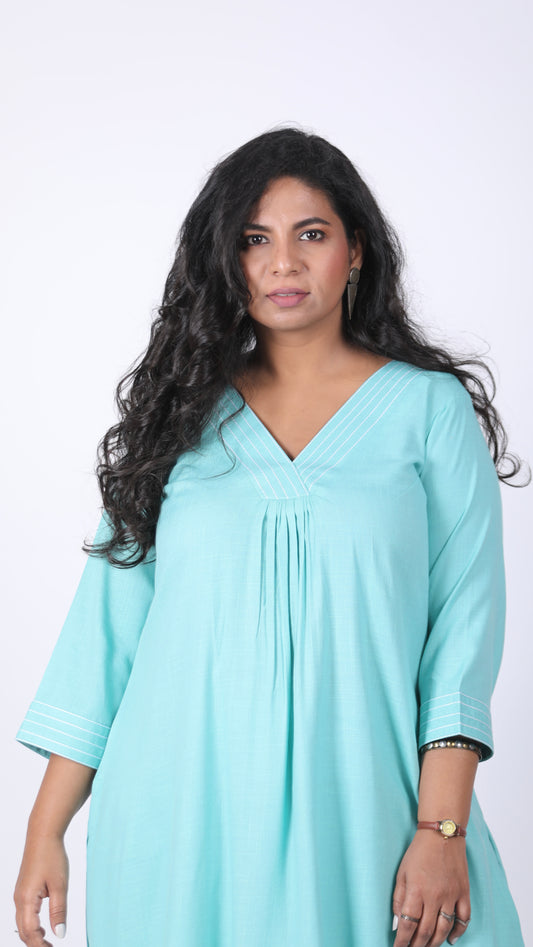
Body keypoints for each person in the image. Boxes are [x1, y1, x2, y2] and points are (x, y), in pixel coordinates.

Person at [13, 126, 528, 947]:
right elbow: (105, 637)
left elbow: (462, 635)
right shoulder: (177, 416)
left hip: (368, 816)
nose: (282, 262)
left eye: (310, 234)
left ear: (355, 252)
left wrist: (442, 830)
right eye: (254, 239)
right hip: (178, 821)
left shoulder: (427, 411)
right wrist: (45, 829)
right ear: (226, 260)